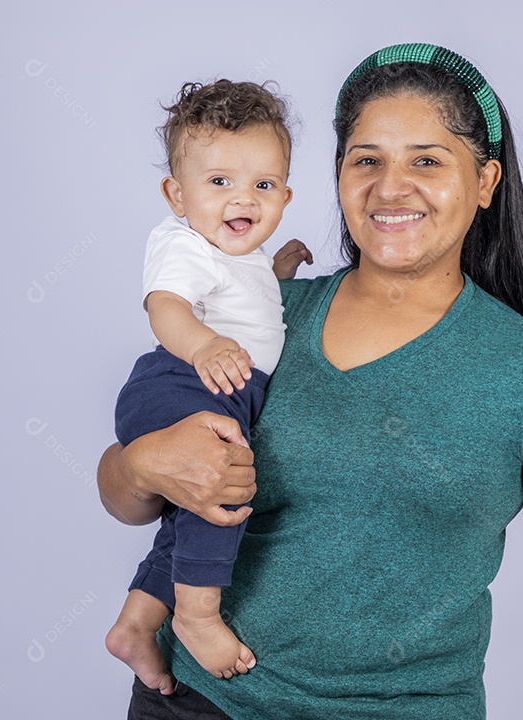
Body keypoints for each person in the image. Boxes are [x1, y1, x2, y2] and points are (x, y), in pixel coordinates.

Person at [98, 43, 523, 720]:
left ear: (485, 182)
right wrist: (141, 465)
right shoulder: (268, 319)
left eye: (426, 160)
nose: (391, 188)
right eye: (366, 160)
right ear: (338, 177)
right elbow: (129, 491)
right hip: (202, 704)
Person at [104, 78, 314, 693]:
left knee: (188, 511)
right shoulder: (182, 244)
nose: (241, 198)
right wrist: (203, 345)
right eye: (218, 181)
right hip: (183, 381)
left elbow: (241, 297)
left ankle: (137, 621)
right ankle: (197, 613)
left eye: (263, 185)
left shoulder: (234, 252)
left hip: (218, 388)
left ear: (285, 194)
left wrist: (277, 270)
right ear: (176, 194)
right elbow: (165, 306)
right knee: (222, 485)